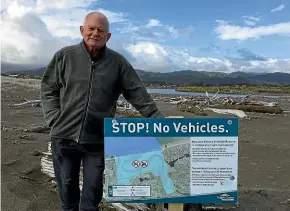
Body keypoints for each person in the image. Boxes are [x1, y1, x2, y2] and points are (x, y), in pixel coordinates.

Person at [40, 11, 164, 211]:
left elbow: (138, 94)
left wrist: (160, 121)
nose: (95, 33)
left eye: (101, 30)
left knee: (91, 195)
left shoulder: (118, 63)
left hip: (97, 141)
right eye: (91, 29)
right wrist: (54, 118)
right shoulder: (64, 56)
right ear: (82, 30)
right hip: (63, 138)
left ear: (108, 36)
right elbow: (48, 88)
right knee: (67, 193)